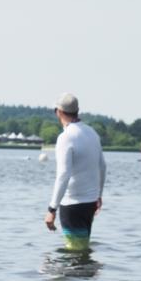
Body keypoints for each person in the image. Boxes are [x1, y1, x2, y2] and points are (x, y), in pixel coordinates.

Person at [44, 93, 106, 251]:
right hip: (90, 203)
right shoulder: (92, 133)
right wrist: (98, 195)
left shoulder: (66, 137)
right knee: (82, 250)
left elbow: (63, 175)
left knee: (74, 252)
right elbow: (103, 166)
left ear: (59, 112)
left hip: (72, 205)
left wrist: (52, 209)